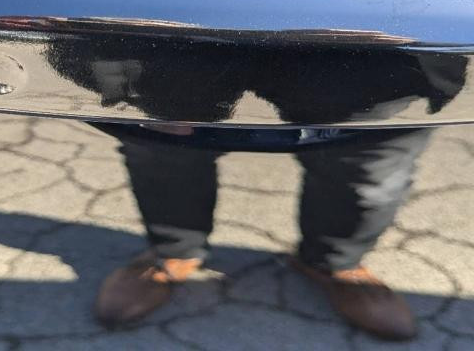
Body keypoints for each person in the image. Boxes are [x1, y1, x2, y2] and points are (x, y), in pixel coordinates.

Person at [92, 125, 429, 341]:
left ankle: (334, 261)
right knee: (161, 142)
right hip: (185, 42)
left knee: (372, 156)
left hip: (372, 50)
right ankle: (174, 252)